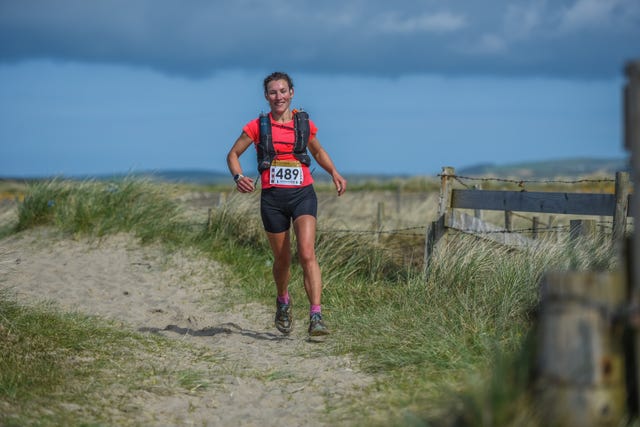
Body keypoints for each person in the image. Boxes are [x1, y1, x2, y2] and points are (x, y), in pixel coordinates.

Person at [226, 71, 347, 337]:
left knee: (306, 253)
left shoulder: (303, 123)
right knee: (282, 259)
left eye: (283, 91)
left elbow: (317, 150)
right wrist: (238, 177)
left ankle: (316, 316)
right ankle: (283, 300)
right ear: (266, 96)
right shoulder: (258, 126)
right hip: (273, 200)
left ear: (292, 93)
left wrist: (334, 172)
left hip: (303, 194)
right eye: (273, 92)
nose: (278, 96)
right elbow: (233, 154)